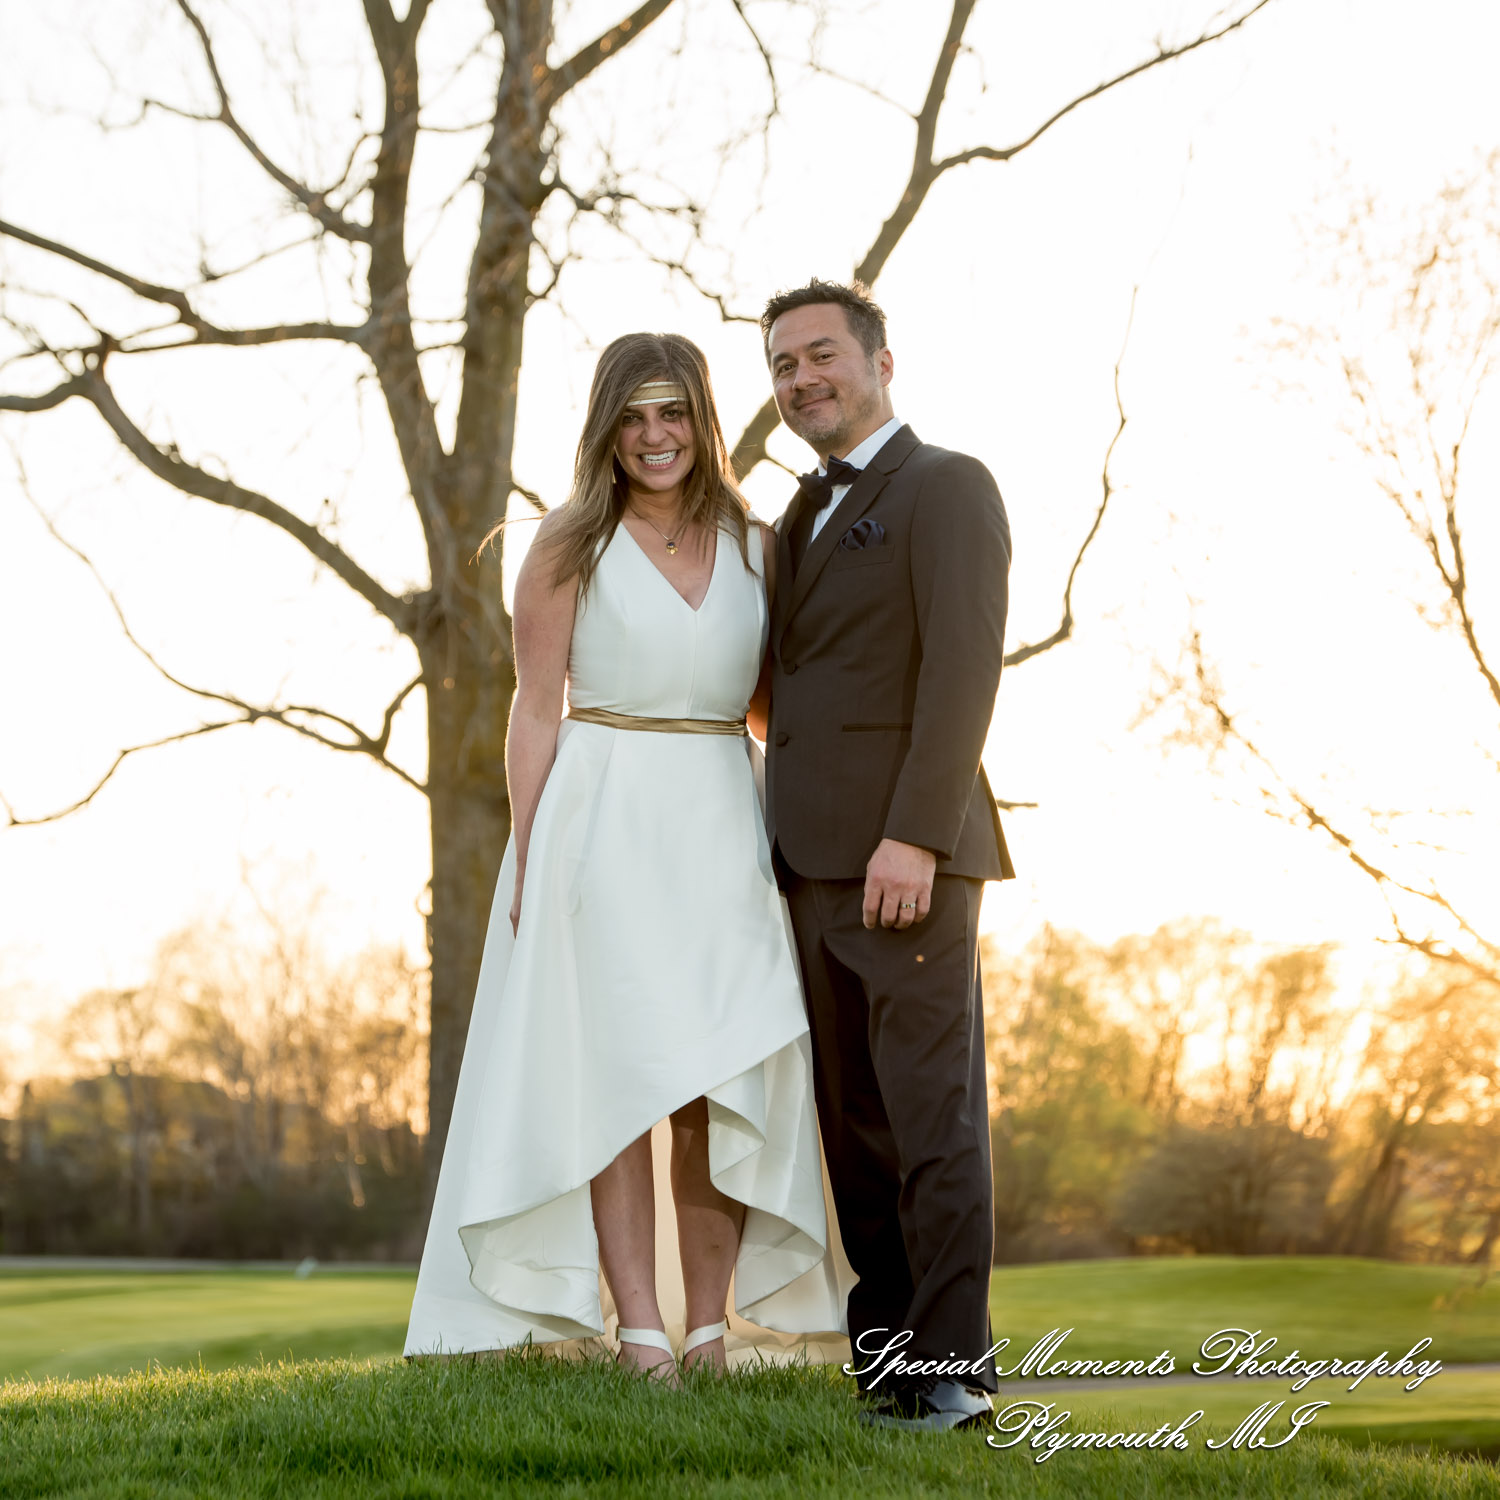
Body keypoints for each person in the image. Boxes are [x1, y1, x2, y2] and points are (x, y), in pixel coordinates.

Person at [404, 332, 846, 1380]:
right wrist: (530, 851)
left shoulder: (757, 545)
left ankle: (709, 1328)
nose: (655, 437)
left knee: (714, 1078)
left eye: (674, 414)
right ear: (608, 427)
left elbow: (773, 706)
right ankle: (638, 1327)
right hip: (599, 822)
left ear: (702, 421)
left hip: (723, 823)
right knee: (616, 1083)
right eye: (635, 416)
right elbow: (534, 708)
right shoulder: (564, 545)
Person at [760, 279, 1014, 1431]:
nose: (803, 378)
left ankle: (954, 1370)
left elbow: (963, 670)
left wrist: (913, 833)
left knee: (931, 1119)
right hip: (805, 864)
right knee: (850, 1127)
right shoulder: (791, 520)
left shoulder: (947, 487)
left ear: (881, 361)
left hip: (909, 856)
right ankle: (888, 1369)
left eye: (821, 355)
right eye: (782, 366)